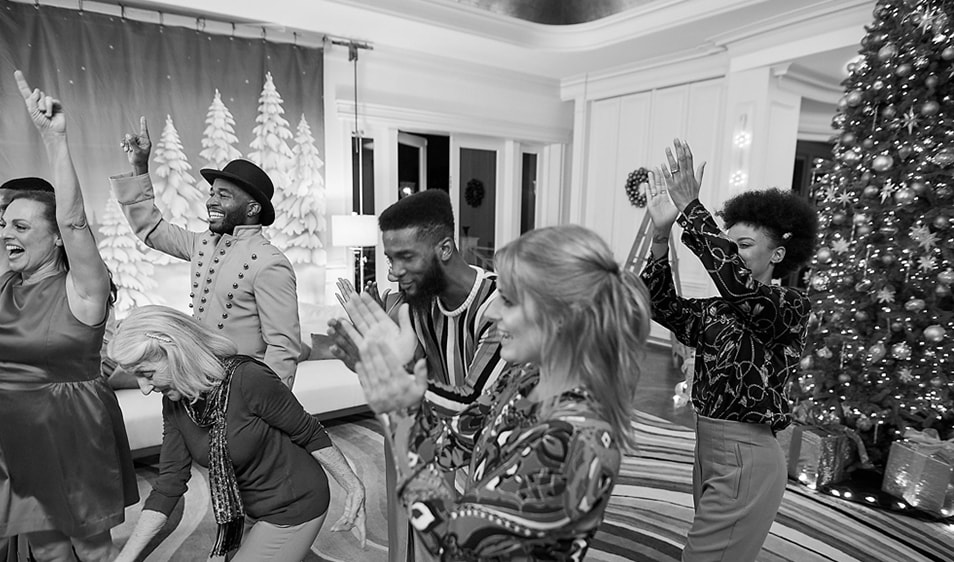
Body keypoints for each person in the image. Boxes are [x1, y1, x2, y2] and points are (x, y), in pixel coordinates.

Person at [345, 224, 652, 559]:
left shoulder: (572, 439)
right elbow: (449, 447)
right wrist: (402, 389)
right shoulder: (524, 379)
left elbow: (455, 544)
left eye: (507, 300)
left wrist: (399, 416)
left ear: (561, 316)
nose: (491, 312)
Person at [640, 139, 818, 561]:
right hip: (707, 446)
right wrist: (662, 234)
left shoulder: (790, 308)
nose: (731, 255)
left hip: (749, 456)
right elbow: (659, 304)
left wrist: (692, 208)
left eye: (742, 245)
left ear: (777, 254)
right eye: (729, 244)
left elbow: (737, 284)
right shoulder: (719, 310)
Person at [0, 71, 138, 562]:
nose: (6, 234)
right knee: (47, 551)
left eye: (19, 225)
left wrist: (54, 139)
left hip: (75, 428)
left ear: (55, 235)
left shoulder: (82, 289)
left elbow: (75, 219)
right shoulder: (5, 284)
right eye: (3, 224)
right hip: (17, 435)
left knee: (91, 550)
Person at [329, 189, 509, 561]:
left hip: (476, 450)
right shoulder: (414, 305)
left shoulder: (498, 307)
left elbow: (471, 402)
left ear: (444, 248)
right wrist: (378, 363)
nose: (394, 271)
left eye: (406, 257)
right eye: (391, 258)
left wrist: (393, 373)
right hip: (421, 438)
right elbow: (406, 373)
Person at [108, 305, 367, 562]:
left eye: (147, 374)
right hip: (242, 509)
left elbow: (308, 431)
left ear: (175, 351)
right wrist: (125, 558)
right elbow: (169, 484)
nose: (143, 388)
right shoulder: (176, 403)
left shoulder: (247, 378)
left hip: (294, 504)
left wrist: (354, 486)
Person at [111, 118, 301, 388]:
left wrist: (266, 405)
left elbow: (283, 348)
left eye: (224, 195)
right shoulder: (202, 244)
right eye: (212, 193)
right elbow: (151, 230)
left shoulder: (270, 263)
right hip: (201, 380)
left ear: (252, 209)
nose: (211, 201)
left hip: (242, 387)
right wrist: (140, 167)